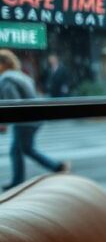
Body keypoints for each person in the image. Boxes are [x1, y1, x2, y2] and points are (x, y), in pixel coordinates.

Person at [0, 50, 69, 190]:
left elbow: (13, 105)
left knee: (23, 150)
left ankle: (56, 167)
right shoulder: (20, 76)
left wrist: (4, 122)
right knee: (21, 149)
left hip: (26, 119)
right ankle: (56, 167)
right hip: (33, 117)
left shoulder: (7, 79)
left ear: (2, 64)